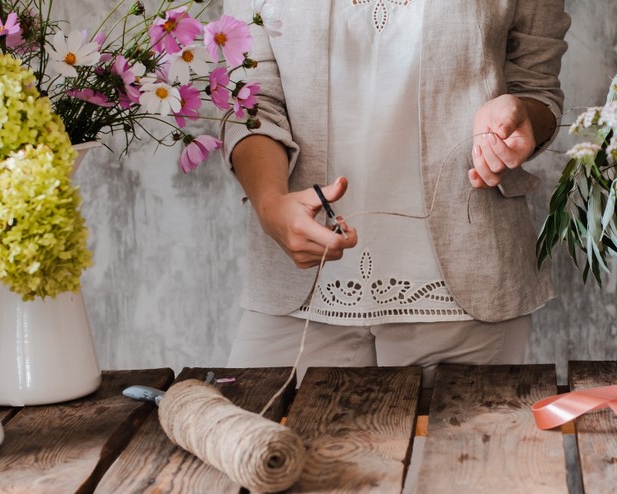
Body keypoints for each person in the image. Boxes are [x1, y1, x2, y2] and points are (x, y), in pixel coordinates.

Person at [222, 1, 570, 386]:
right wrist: (271, 206)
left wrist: (517, 112)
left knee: (475, 447)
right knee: (251, 440)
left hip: (469, 290)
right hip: (298, 287)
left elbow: (536, 86)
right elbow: (249, 102)